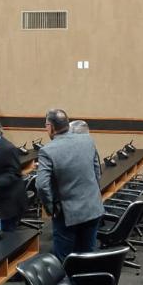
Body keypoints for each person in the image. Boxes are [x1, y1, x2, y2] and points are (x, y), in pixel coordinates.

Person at [36, 109, 103, 259]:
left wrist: (50, 208)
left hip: (67, 214)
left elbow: (41, 185)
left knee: (66, 259)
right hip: (92, 208)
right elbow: (97, 172)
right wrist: (93, 196)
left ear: (50, 126)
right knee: (88, 256)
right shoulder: (88, 140)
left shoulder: (47, 151)